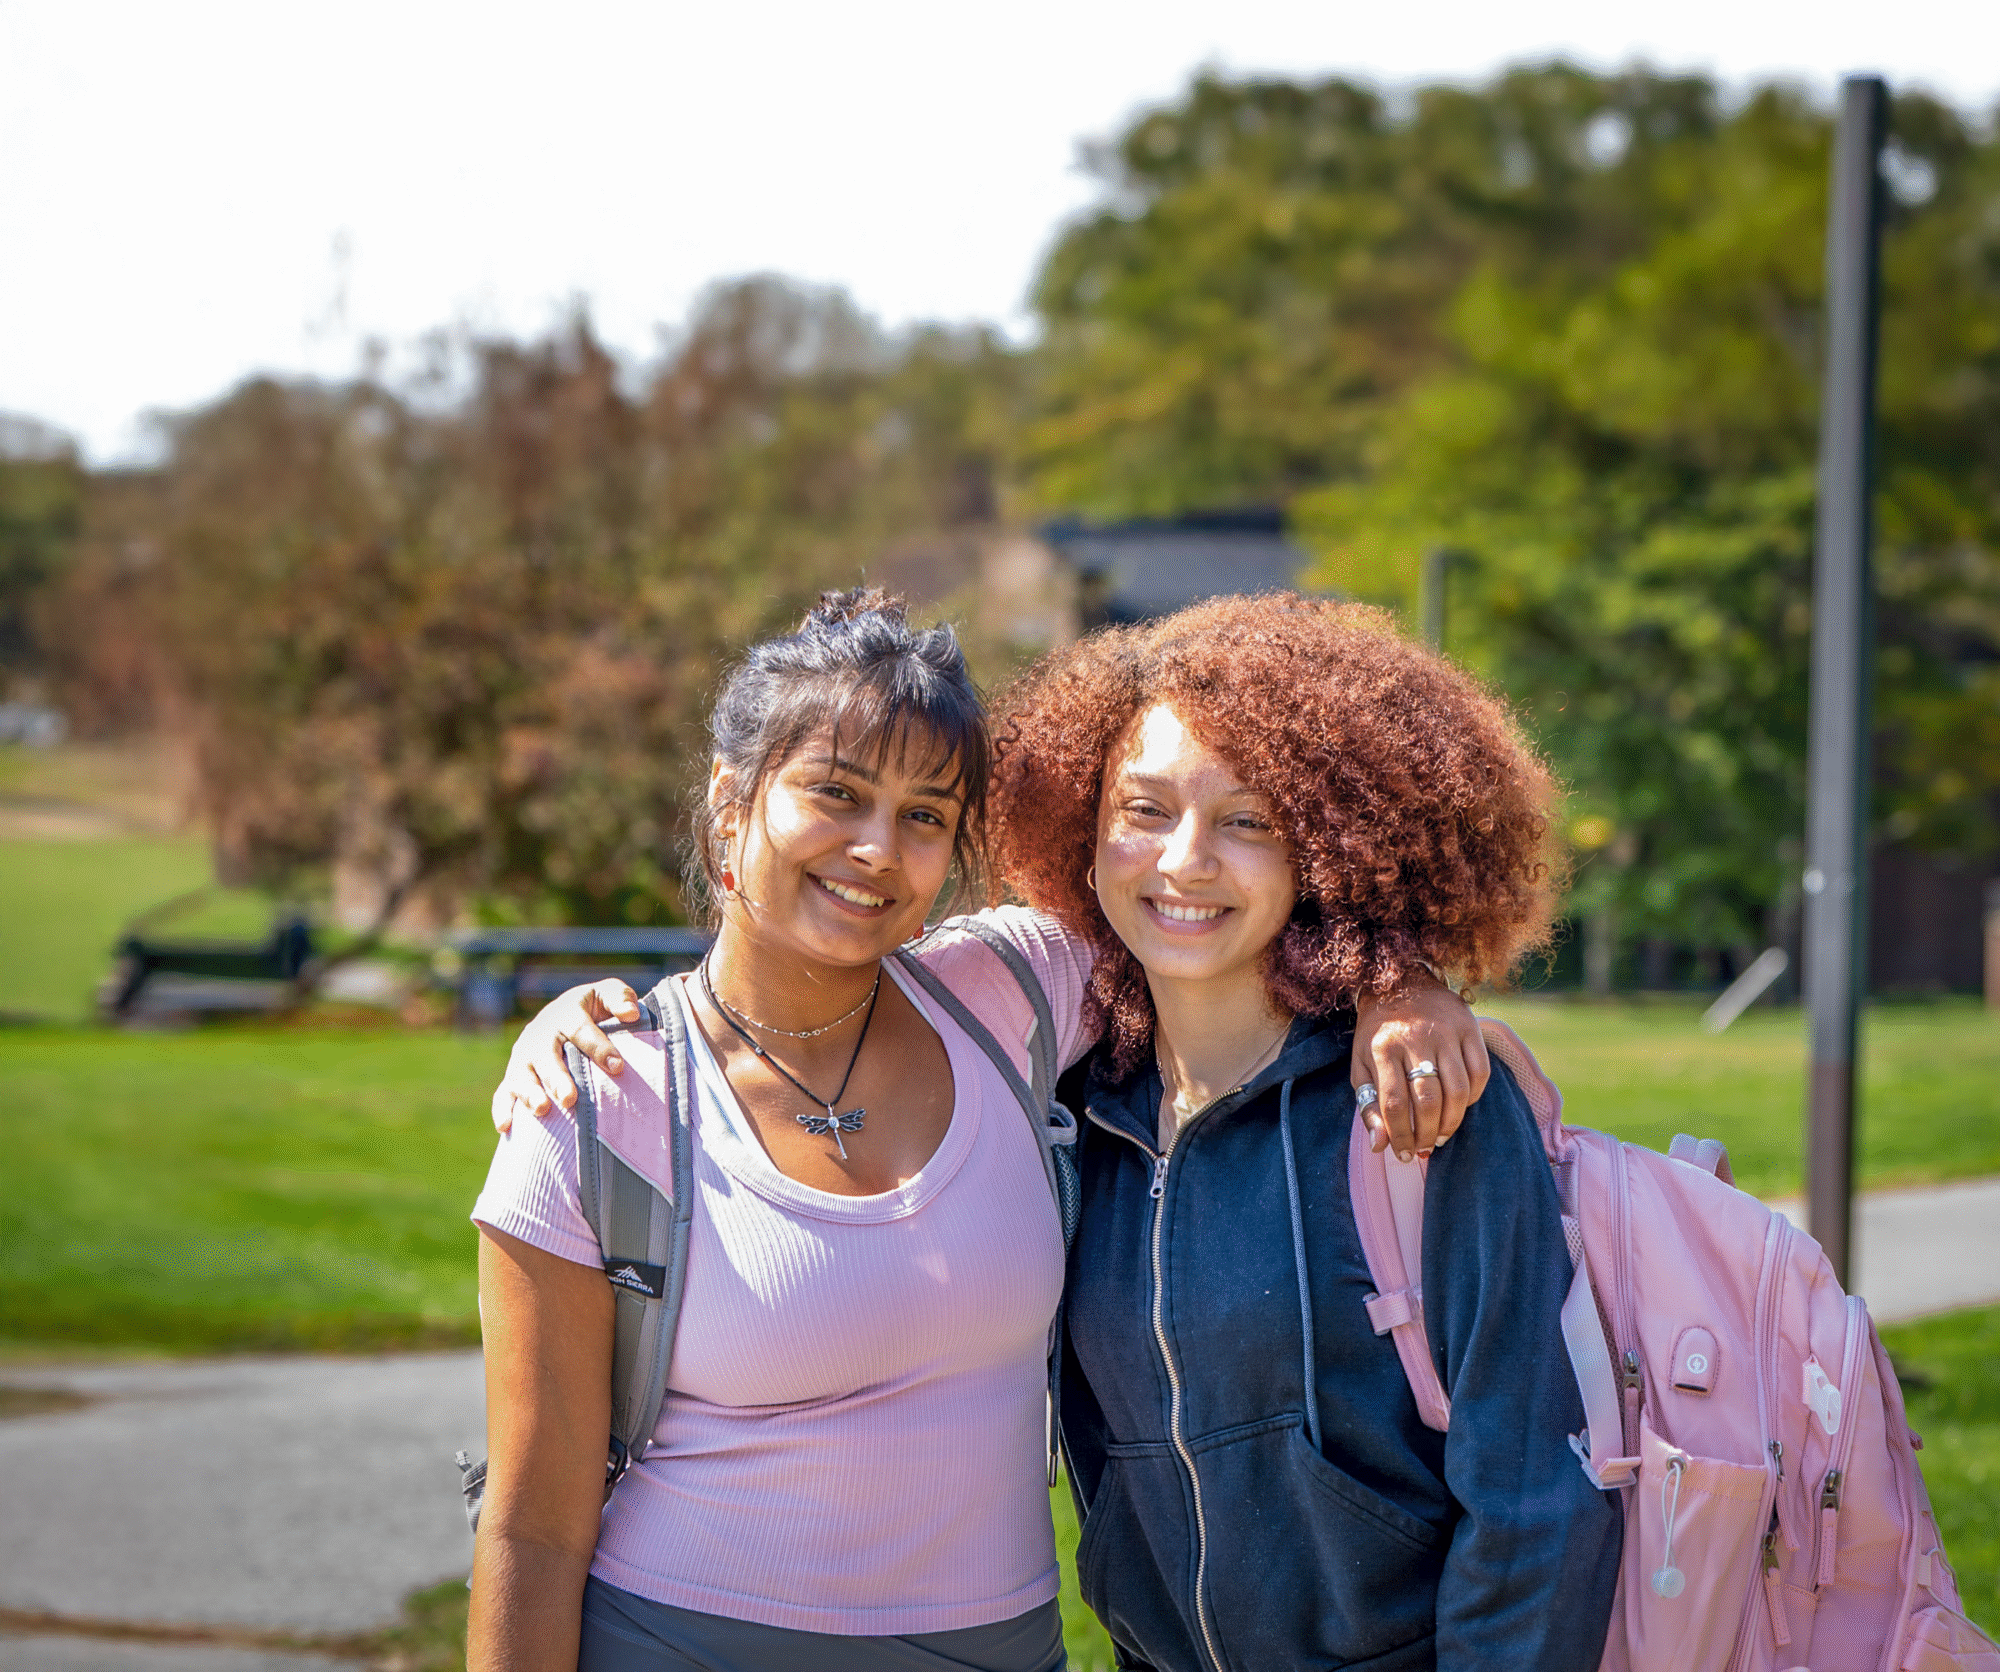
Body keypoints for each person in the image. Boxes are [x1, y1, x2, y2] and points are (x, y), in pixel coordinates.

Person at [471, 589, 1487, 1672]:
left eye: (923, 815)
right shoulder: (595, 1098)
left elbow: (1222, 906)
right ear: (731, 801)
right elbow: (531, 1532)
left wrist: (1403, 984)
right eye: (836, 793)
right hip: (677, 1640)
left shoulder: (1006, 992)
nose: (874, 848)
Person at [990, 593, 1622, 1671]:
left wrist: (1405, 984)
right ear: (1085, 837)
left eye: (1247, 820)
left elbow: (1531, 1498)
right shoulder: (1065, 1110)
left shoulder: (1421, 1105)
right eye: (1142, 809)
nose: (1184, 861)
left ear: (1326, 854)